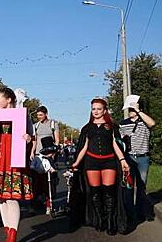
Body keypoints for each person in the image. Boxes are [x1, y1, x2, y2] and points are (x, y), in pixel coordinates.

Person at [0, 87, 34, 242]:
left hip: (13, 157)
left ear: (9, 99)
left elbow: (31, 136)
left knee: (12, 198)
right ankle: (8, 235)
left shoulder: (22, 115)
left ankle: (13, 237)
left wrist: (28, 139)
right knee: (2, 198)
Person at [72, 98, 130, 235]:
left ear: (104, 110)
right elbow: (84, 147)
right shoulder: (87, 128)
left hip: (109, 161)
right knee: (95, 192)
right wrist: (76, 163)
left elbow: (115, 144)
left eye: (99, 109)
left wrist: (122, 160)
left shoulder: (111, 126)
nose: (96, 111)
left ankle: (110, 221)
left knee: (109, 192)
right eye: (94, 109)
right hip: (91, 162)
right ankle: (99, 219)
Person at [119, 99, 156, 222]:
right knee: (129, 187)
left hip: (143, 158)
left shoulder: (144, 122)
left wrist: (138, 111)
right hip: (129, 158)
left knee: (141, 187)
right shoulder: (123, 123)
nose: (130, 110)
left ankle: (141, 213)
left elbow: (152, 123)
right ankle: (130, 214)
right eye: (129, 108)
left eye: (133, 108)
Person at [31, 106, 60, 215]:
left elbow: (57, 140)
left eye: (41, 115)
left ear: (46, 114)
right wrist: (32, 152)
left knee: (49, 180)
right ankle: (38, 201)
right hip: (38, 155)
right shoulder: (36, 126)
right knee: (37, 180)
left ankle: (49, 203)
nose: (39, 117)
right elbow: (35, 140)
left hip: (49, 154)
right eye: (37, 115)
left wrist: (53, 152)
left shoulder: (53, 124)